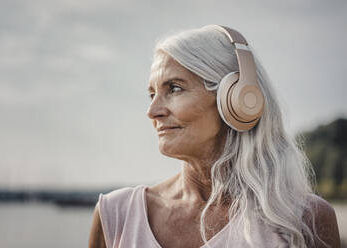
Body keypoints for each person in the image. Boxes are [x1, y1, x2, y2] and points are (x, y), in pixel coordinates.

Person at [89, 25, 341, 248]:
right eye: (151, 94)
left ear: (237, 99)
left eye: (174, 88)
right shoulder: (115, 215)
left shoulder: (304, 219)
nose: (152, 111)